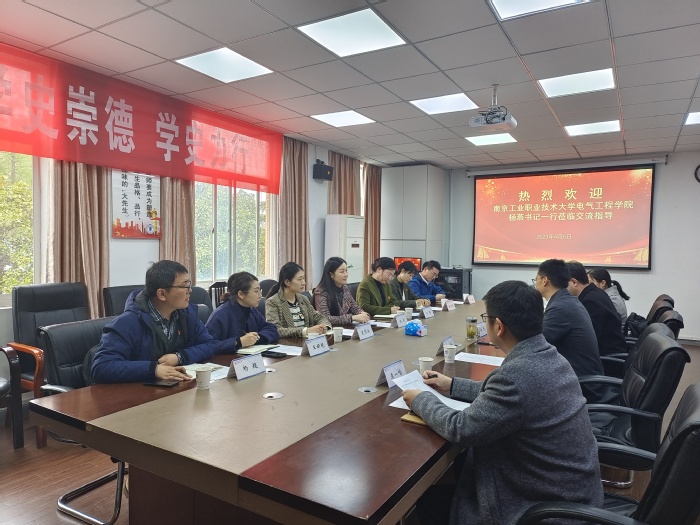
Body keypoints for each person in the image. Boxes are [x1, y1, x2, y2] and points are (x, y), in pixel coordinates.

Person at [403, 280, 602, 525]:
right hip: (566, 490)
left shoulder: (516, 377)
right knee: (464, 464)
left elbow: (461, 428)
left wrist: (420, 399)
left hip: (542, 507)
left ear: (498, 326)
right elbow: (508, 397)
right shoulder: (548, 355)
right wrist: (452, 385)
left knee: (429, 501)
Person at [92, 260, 215, 384]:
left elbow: (209, 344)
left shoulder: (187, 314)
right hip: (137, 392)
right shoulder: (126, 323)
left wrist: (179, 356)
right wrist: (153, 369)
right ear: (162, 294)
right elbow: (101, 367)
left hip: (176, 388)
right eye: (184, 286)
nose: (190, 290)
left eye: (189, 285)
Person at [534, 258, 611, 404]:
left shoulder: (561, 307)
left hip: (582, 386)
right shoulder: (567, 301)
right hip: (581, 378)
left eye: (535, 279)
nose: (535, 284)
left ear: (545, 280)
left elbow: (535, 343)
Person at [205, 271, 279, 354]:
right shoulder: (220, 315)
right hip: (227, 360)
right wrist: (238, 342)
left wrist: (255, 339)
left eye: (260, 291)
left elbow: (271, 329)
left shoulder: (251, 310)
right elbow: (207, 346)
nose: (260, 295)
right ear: (241, 294)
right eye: (256, 291)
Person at [567, 261, 626, 356]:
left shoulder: (590, 301)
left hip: (606, 356)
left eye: (564, 284)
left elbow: (589, 339)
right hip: (609, 351)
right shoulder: (595, 292)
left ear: (574, 282)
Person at [265, 262, 331, 338]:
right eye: (300, 279)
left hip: (306, 341)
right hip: (287, 343)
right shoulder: (273, 302)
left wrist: (323, 326)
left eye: (303, 278)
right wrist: (306, 331)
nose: (304, 283)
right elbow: (276, 330)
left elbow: (319, 317)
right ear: (287, 282)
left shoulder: (303, 299)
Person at [313, 257, 370, 325]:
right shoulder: (321, 292)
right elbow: (324, 318)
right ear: (331, 275)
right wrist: (352, 318)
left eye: (346, 271)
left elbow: (354, 306)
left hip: (345, 328)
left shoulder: (344, 288)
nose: (346, 274)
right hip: (330, 329)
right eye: (342, 272)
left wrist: (361, 313)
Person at [588, 268, 629, 332]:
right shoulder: (610, 296)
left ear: (603, 283)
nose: (587, 286)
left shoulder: (612, 300)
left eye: (590, 283)